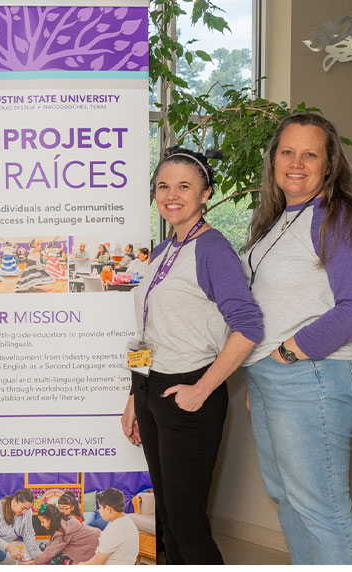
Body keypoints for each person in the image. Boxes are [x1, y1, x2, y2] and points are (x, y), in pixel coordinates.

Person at [240, 113, 352, 564]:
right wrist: (260, 370)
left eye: (310, 154)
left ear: (329, 164)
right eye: (287, 152)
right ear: (273, 160)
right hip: (275, 377)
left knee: (322, 510)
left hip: (315, 372)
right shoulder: (278, 220)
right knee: (288, 498)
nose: (296, 162)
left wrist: (289, 351)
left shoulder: (339, 217)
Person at [120, 147, 263, 564]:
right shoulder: (164, 251)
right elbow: (144, 331)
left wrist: (201, 390)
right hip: (152, 389)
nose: (171, 194)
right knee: (167, 518)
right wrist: (134, 394)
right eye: (163, 186)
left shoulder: (213, 250)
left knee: (186, 522)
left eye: (184, 186)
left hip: (188, 394)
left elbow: (249, 327)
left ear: (206, 194)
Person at [77, 489, 138, 565]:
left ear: (108, 509)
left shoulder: (114, 530)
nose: (99, 511)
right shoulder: (128, 521)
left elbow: (97, 563)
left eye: (100, 508)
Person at [31, 501, 101, 565]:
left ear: (50, 519)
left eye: (43, 522)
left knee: (53, 552)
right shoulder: (61, 521)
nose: (41, 524)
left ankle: (65, 560)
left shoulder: (62, 531)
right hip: (95, 534)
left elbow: (51, 551)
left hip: (95, 541)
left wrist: (36, 561)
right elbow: (53, 543)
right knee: (45, 546)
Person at [0, 488, 38, 563]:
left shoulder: (27, 512)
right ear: (15, 501)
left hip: (1, 548)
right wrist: (9, 547)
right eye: (23, 508)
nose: (25, 511)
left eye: (27, 509)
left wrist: (34, 558)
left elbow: (28, 534)